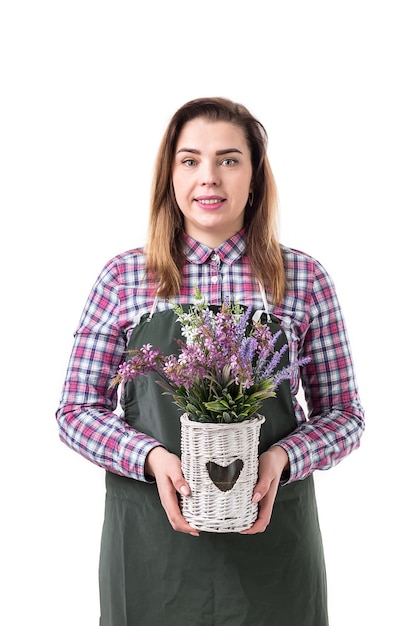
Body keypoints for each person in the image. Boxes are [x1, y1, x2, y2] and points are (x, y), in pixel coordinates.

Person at [56, 97, 365, 626]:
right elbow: (76, 411)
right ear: (170, 176)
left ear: (254, 176)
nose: (209, 178)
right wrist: (151, 458)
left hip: (273, 549)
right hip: (151, 549)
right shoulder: (125, 279)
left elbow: (345, 416)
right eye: (190, 160)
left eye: (229, 159)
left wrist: (281, 460)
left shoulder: (304, 281)